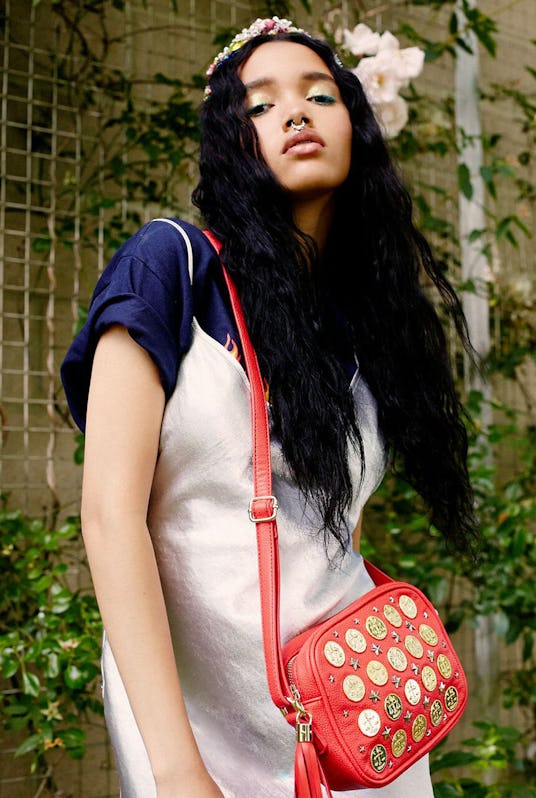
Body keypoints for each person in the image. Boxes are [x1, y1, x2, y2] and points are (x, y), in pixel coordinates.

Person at [61, 17, 478, 798]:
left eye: (319, 95)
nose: (293, 113)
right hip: (202, 729)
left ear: (355, 126)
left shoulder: (368, 322)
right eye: (259, 105)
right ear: (229, 141)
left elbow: (337, 530)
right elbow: (110, 517)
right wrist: (176, 767)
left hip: (353, 733)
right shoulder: (170, 267)